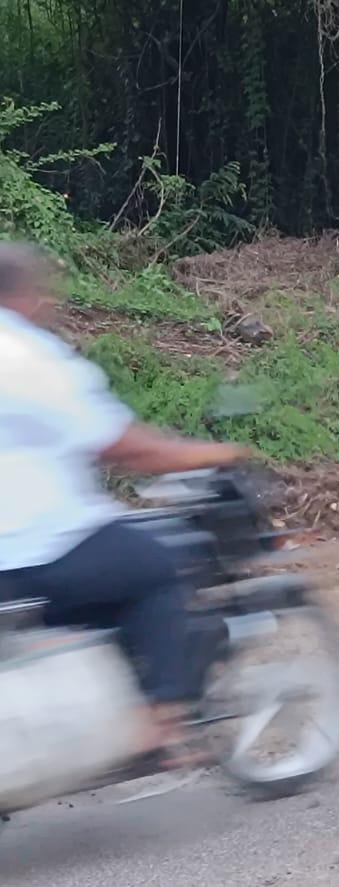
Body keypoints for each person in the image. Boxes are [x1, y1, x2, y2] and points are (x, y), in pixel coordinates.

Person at [0, 242, 249, 764]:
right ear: (22, 296)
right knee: (156, 568)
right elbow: (123, 446)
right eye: (42, 291)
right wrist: (213, 452)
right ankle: (159, 727)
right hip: (33, 546)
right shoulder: (24, 355)